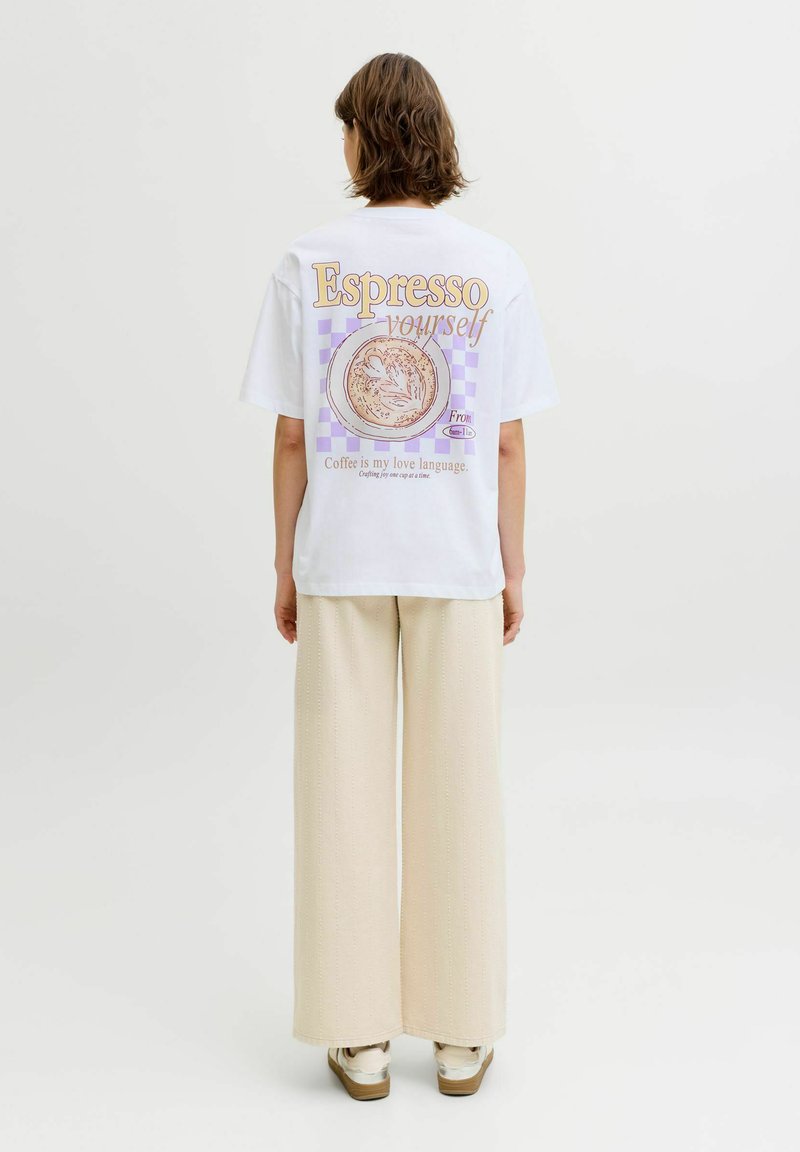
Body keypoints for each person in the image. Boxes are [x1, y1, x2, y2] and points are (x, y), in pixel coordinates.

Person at [239, 52, 560, 1100]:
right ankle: (461, 1033)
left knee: (340, 791)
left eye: (343, 128)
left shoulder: (307, 263)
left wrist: (285, 561)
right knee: (460, 784)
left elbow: (293, 434)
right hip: (457, 560)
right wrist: (512, 568)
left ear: (362, 139)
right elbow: (505, 439)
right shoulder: (492, 266)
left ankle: (358, 1034)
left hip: (342, 557)